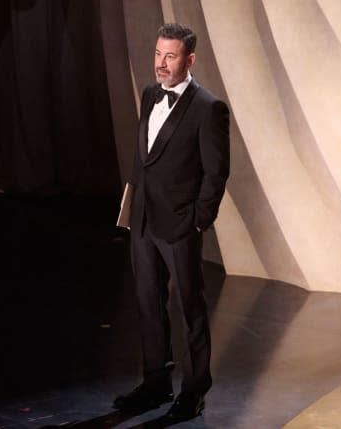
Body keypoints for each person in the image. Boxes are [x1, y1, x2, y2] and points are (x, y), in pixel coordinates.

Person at [113, 23, 230, 421]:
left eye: (171, 56)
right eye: (158, 55)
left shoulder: (208, 108)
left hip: (180, 225)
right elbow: (143, 156)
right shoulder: (149, 95)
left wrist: (198, 221)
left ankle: (195, 391)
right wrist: (132, 207)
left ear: (190, 59)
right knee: (148, 303)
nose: (161, 64)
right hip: (144, 221)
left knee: (191, 309)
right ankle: (155, 383)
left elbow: (216, 173)